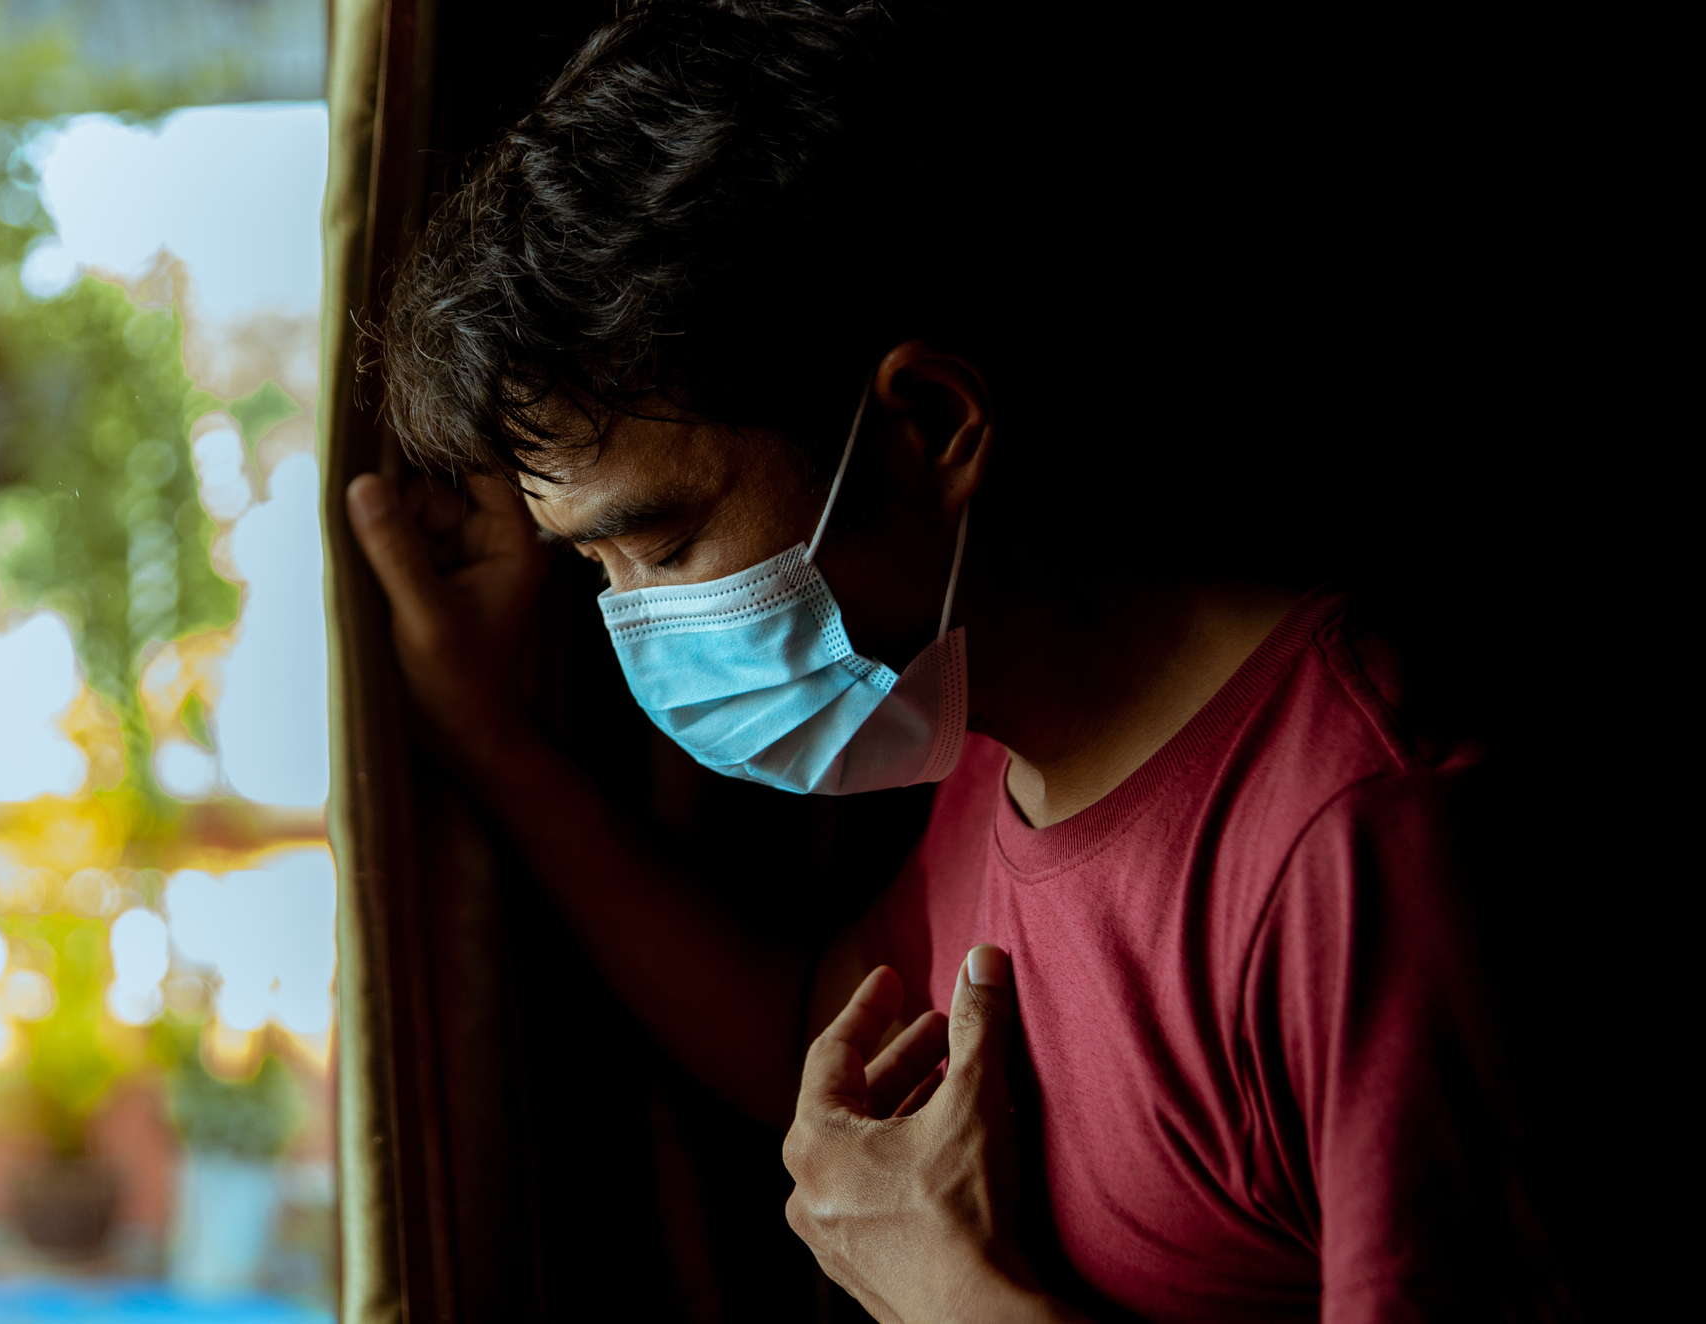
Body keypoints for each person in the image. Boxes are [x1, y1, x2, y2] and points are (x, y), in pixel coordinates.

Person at [345, 2, 1558, 1318]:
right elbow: (815, 1031)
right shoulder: (990, 738)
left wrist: (958, 1306)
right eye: (593, 573)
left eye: (666, 543)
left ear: (929, 421)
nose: (637, 624)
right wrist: (487, 737)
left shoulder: (1360, 827)